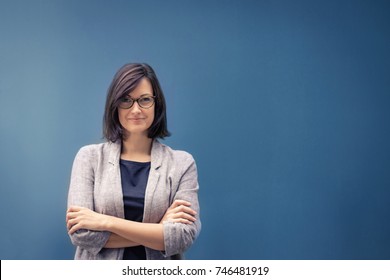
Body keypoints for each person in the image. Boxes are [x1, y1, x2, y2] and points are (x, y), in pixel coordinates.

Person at [66, 63, 201, 260]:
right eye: (126, 100)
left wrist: (105, 222)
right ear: (115, 105)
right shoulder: (89, 158)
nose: (136, 109)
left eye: (145, 99)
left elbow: (182, 237)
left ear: (157, 104)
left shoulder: (182, 163)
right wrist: (158, 230)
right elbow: (82, 234)